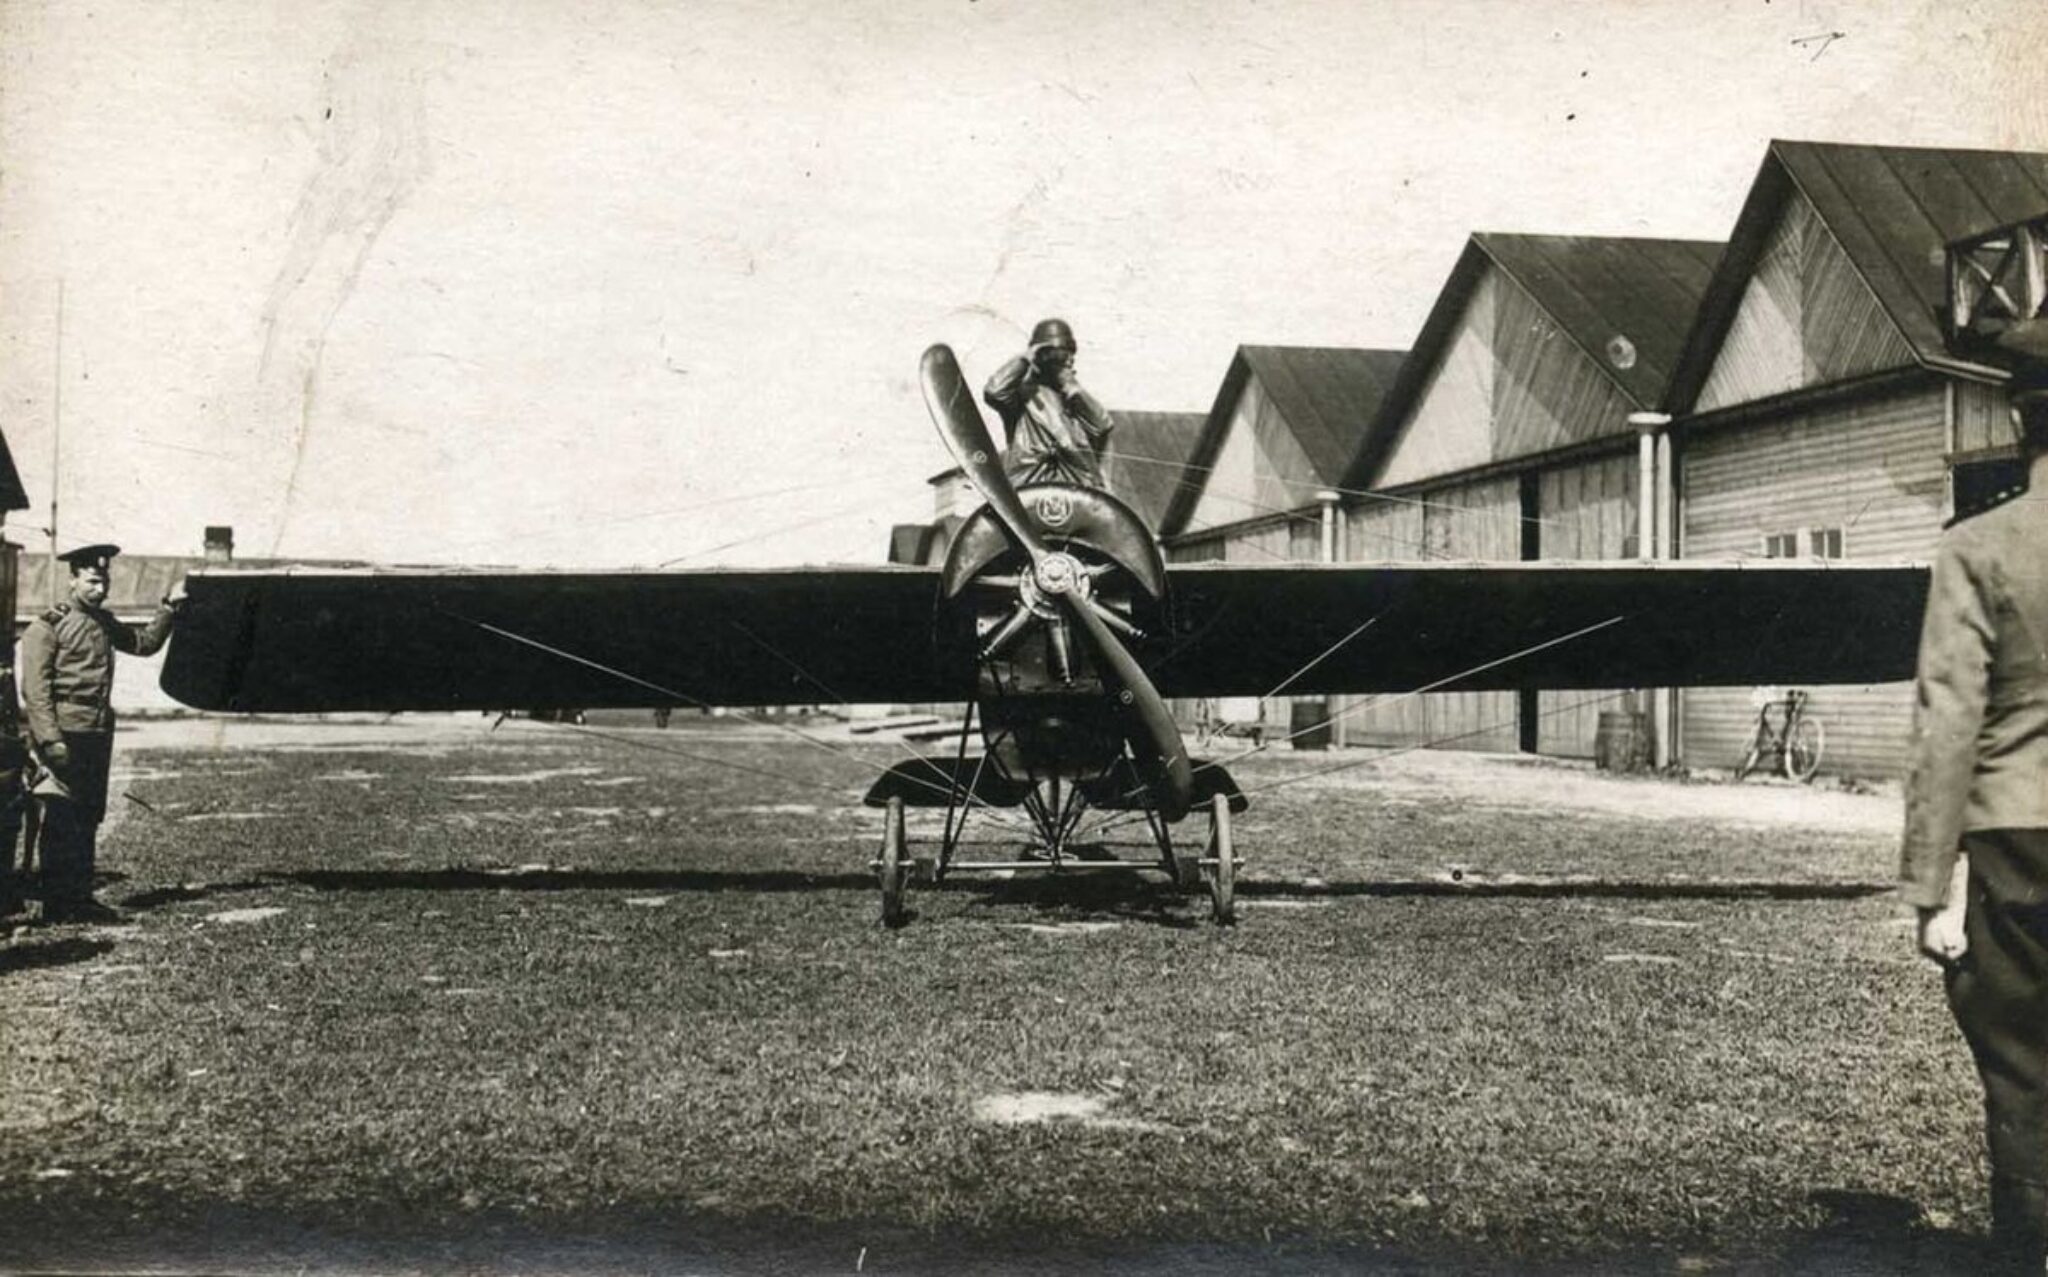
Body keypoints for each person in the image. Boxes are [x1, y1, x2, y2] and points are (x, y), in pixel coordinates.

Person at [1902, 360, 2048, 1271]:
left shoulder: (1979, 546)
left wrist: (1930, 888)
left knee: (2025, 1063)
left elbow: (1947, 722)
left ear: (2024, 422)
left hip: (2017, 836)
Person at [18, 544, 184, 924]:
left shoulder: (104, 622)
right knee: (62, 816)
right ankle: (59, 903)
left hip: (96, 732)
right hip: (65, 734)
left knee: (88, 814)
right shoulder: (48, 625)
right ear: (73, 579)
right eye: (93, 581)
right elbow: (36, 691)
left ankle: (79, 897)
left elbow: (143, 644)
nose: (101, 588)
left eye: (105, 580)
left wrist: (169, 607)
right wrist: (50, 740)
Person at [981, 317, 1115, 488]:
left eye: (1068, 354)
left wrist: (1073, 389)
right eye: (1058, 354)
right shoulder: (1022, 395)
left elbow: (1102, 425)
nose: (1067, 360)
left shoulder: (1075, 398)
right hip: (1031, 486)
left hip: (1075, 491)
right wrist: (1025, 359)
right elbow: (994, 391)